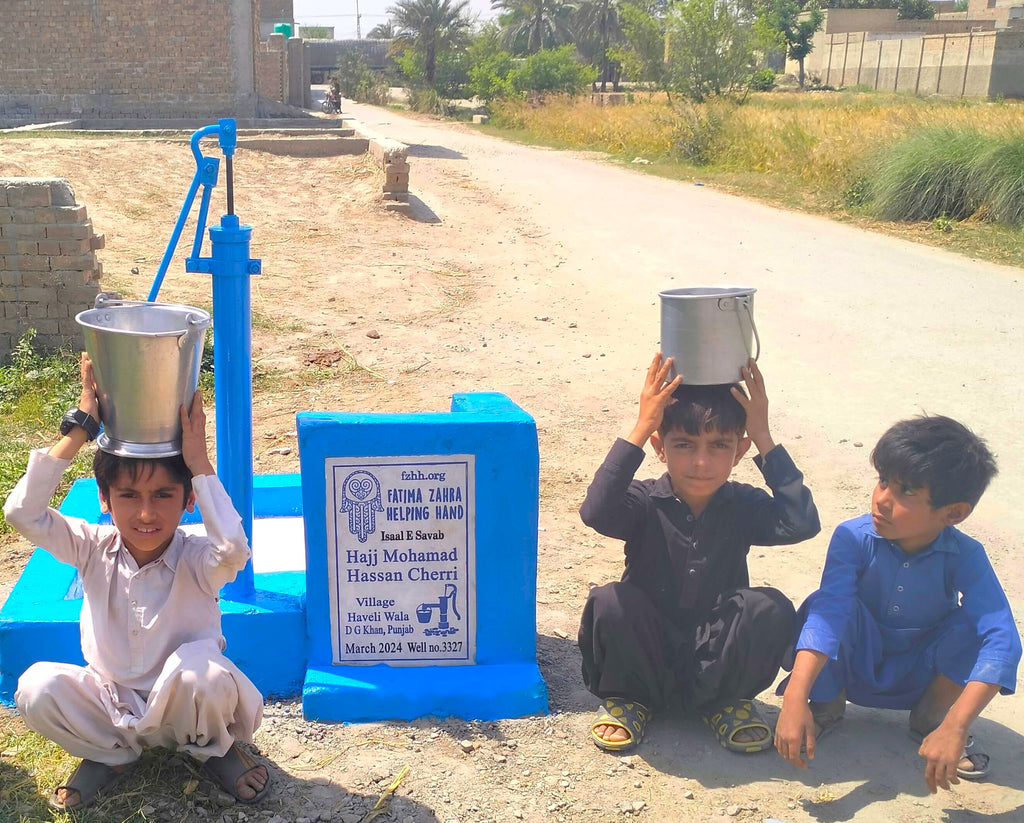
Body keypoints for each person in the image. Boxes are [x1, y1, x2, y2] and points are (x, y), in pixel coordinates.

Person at [4, 355, 270, 811]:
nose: (146, 514)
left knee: (200, 672)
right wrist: (81, 426)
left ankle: (215, 750)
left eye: (163, 495)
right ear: (104, 500)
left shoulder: (196, 557)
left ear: (187, 500)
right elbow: (21, 514)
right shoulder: (90, 547)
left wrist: (199, 463)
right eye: (129, 496)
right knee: (35, 688)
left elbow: (234, 552)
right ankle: (111, 755)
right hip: (111, 703)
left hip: (186, 703)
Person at [578, 354, 820, 753]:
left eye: (719, 445)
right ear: (660, 447)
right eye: (684, 445)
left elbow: (802, 523)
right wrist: (642, 426)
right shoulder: (643, 500)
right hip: (646, 652)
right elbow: (596, 512)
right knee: (610, 600)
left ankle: (725, 704)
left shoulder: (742, 503)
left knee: (768, 605)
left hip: (715, 659)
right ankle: (631, 701)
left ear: (739, 451)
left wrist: (763, 436)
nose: (701, 462)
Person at [774, 415, 1021, 794]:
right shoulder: (852, 538)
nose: (882, 500)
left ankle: (932, 720)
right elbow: (830, 617)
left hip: (920, 674)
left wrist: (957, 724)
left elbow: (1002, 639)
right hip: (856, 665)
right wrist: (794, 698)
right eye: (883, 481)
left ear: (953, 513)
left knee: (977, 622)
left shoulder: (966, 555)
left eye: (906, 492)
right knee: (824, 605)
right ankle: (825, 706)